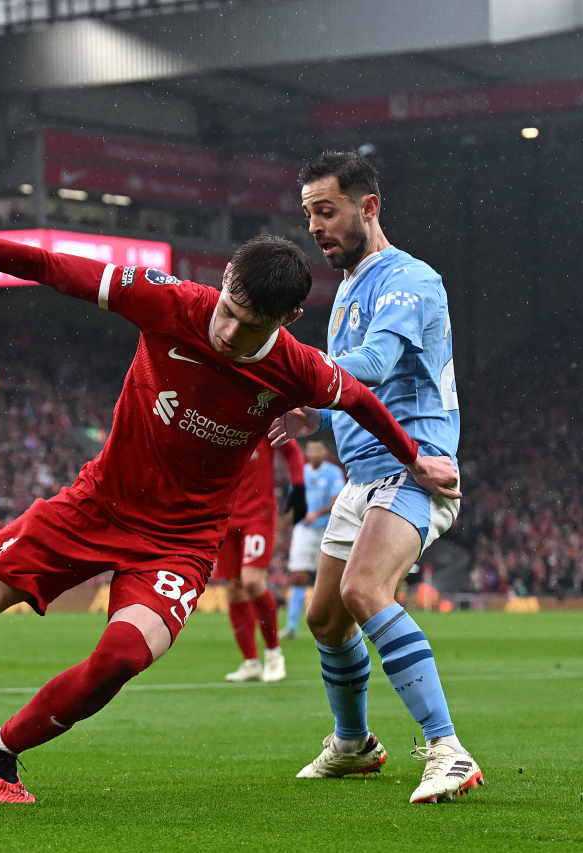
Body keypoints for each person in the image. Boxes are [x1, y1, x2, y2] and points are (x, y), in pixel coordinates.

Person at [0, 223, 460, 805]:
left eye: (248, 324)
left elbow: (360, 399)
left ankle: (2, 751)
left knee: (120, 656)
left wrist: (414, 456)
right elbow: (49, 265)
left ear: (286, 321)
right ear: (222, 286)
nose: (226, 328)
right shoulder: (169, 302)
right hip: (92, 505)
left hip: (179, 543)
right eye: (226, 307)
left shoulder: (298, 367)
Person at [273, 151, 480, 804]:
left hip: (416, 466)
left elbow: (376, 361)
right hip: (362, 477)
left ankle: (449, 748)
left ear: (370, 207)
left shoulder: (406, 280)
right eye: (309, 214)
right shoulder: (346, 293)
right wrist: (316, 417)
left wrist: (290, 368)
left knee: (365, 588)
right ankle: (355, 743)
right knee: (326, 618)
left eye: (327, 211)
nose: (316, 226)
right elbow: (351, 388)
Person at [219, 437, 306, 683]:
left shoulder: (262, 415)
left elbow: (291, 449)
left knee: (252, 582)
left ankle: (274, 653)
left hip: (259, 513)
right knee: (234, 587)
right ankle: (250, 663)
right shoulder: (217, 423)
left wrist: (298, 487)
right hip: (224, 515)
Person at [283, 440, 345, 639]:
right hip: (304, 530)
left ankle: (336, 624)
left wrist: (316, 513)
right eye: (311, 450)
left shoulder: (333, 472)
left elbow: (337, 500)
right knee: (298, 576)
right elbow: (295, 501)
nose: (314, 454)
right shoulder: (301, 472)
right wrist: (282, 527)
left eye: (318, 450)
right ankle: (292, 626)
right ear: (307, 453)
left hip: (329, 529)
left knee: (331, 577)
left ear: (324, 452)